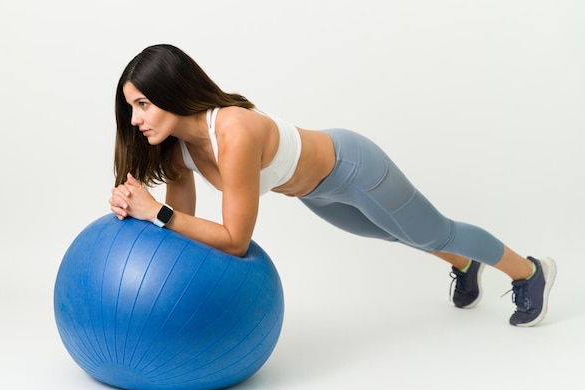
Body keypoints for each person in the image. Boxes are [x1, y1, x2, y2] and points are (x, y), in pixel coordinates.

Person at [109, 44, 556, 327]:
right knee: (398, 232)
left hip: (354, 166)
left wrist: (157, 212)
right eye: (131, 107)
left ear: (172, 92)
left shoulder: (235, 131)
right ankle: (465, 264)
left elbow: (234, 241)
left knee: (433, 231)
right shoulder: (176, 151)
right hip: (314, 193)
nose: (135, 120)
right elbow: (183, 228)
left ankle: (530, 271)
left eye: (143, 104)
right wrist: (133, 206)